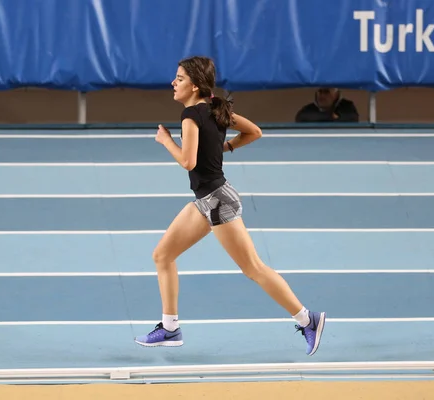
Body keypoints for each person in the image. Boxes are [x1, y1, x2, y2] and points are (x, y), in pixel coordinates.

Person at [133, 56, 326, 356]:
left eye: (180, 78)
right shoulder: (215, 108)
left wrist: (165, 141)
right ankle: (170, 328)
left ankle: (307, 319)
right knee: (163, 255)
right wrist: (223, 146)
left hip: (217, 202)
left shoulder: (190, 116)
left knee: (254, 268)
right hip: (206, 200)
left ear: (195, 85)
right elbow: (255, 132)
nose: (173, 82)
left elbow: (188, 161)